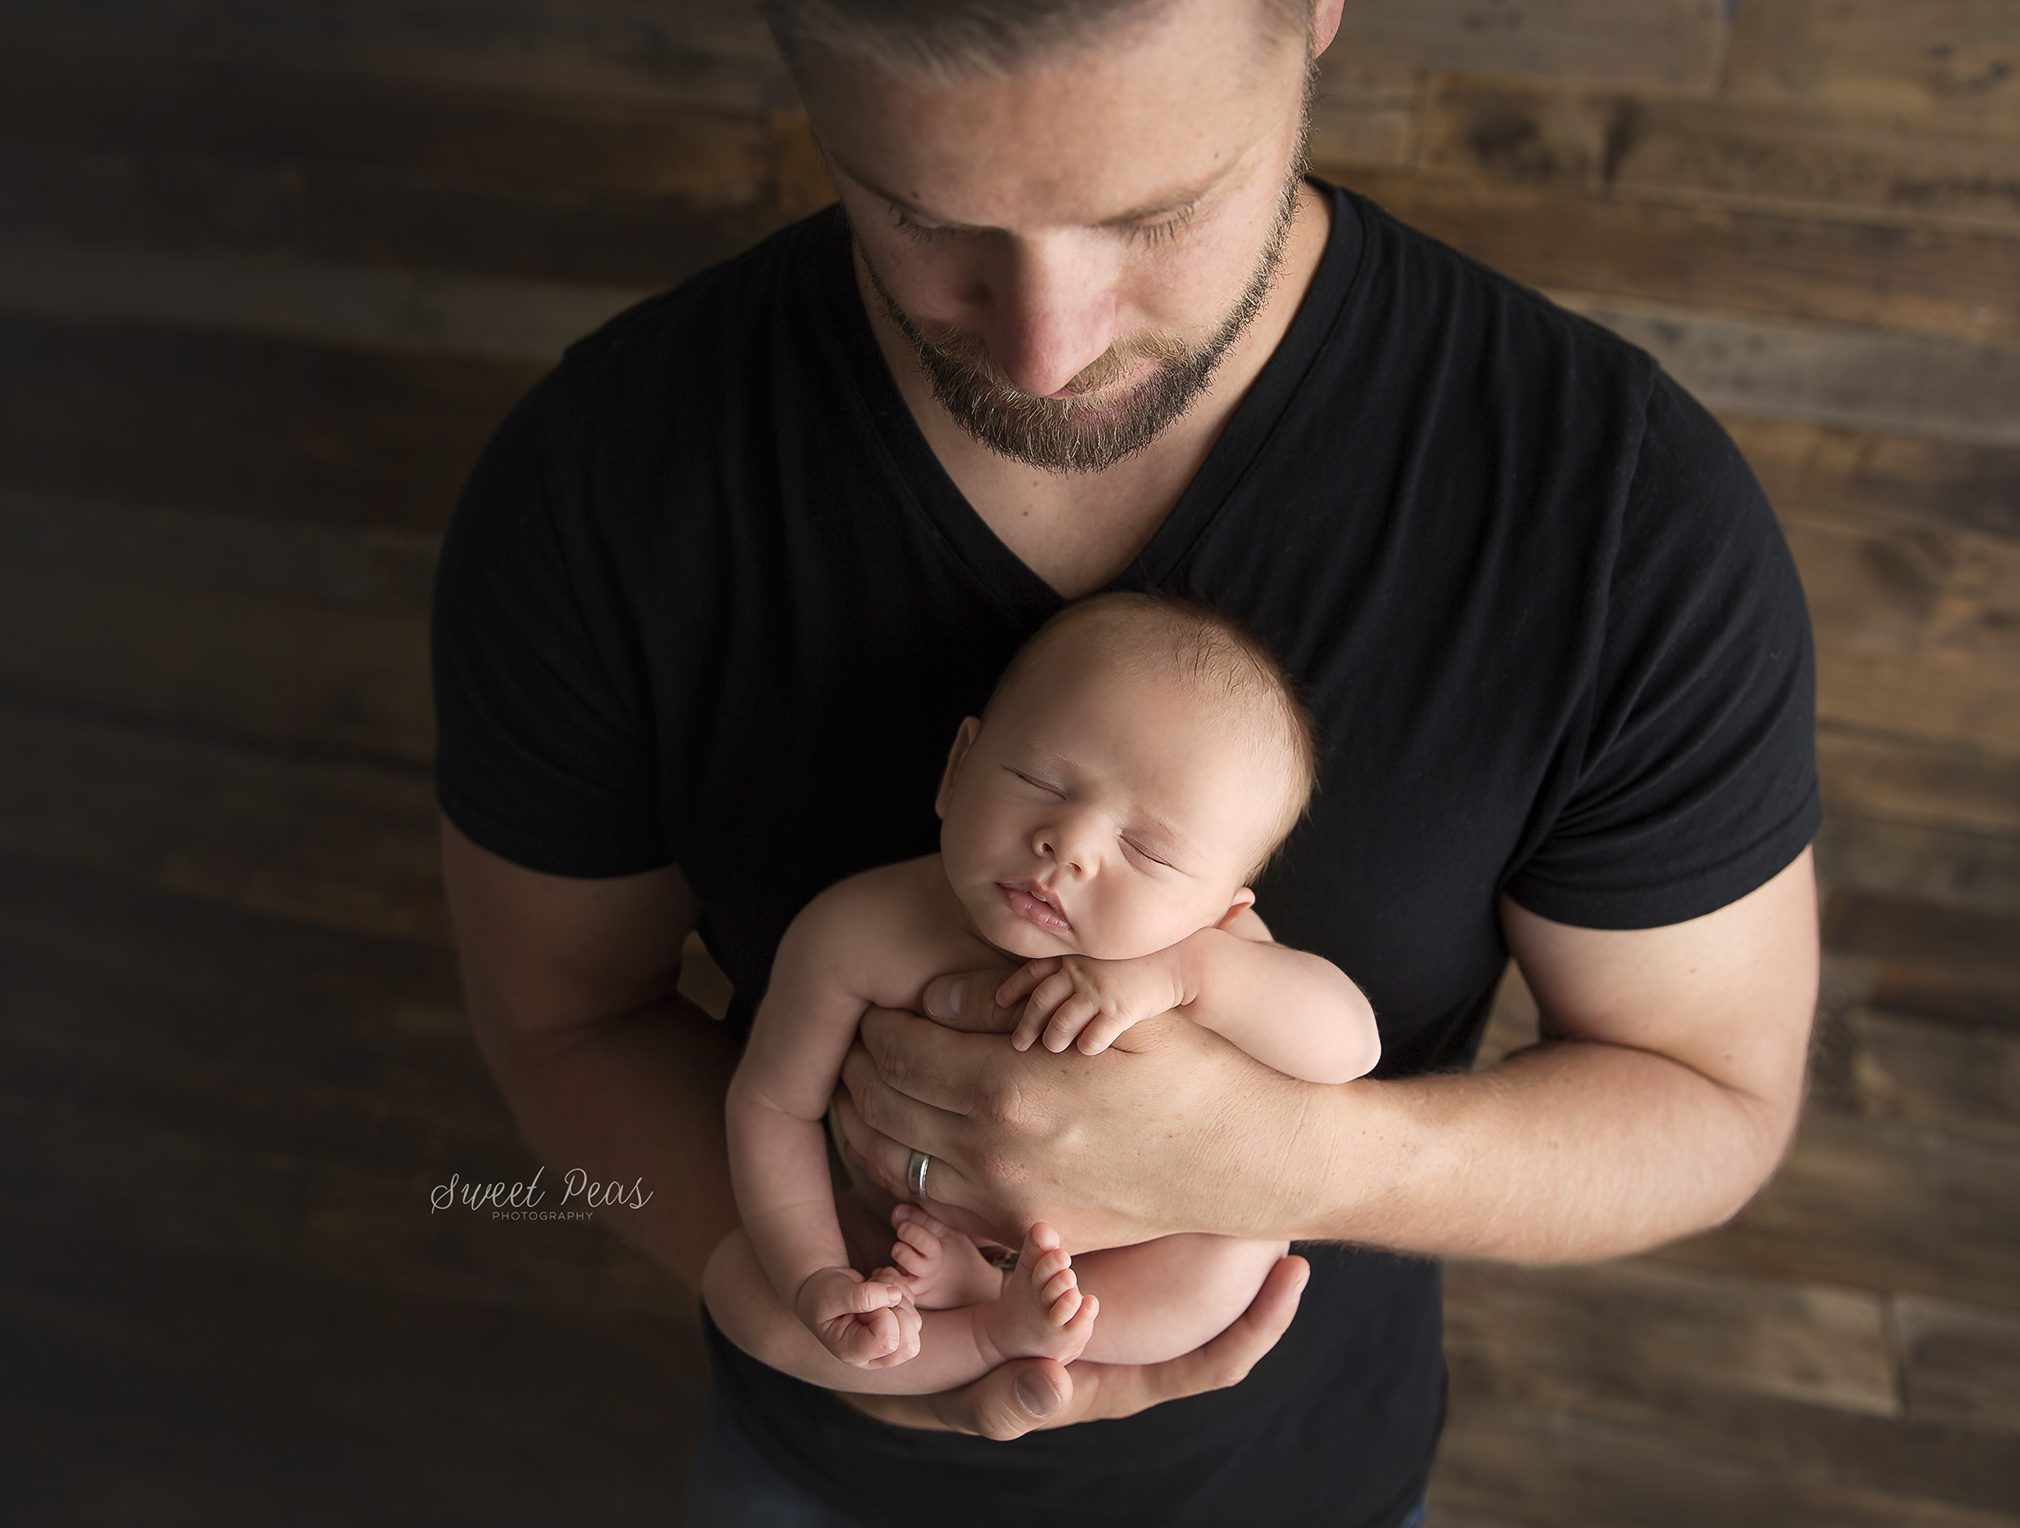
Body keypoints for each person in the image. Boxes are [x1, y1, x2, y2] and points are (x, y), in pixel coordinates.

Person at [430, 0, 1823, 1523]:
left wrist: (1285, 1161)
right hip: (813, 1477)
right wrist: (834, 1297)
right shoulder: (603, 480)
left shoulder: (1617, 513)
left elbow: (1708, 1101)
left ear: (1313, 18)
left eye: (1157, 214)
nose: (1047, 346)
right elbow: (562, 1029)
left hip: (1305, 1489)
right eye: (921, 217)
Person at [710, 591, 1380, 1394]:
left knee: (1236, 1255)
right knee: (748, 1302)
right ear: (958, 770)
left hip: (1126, 1278)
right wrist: (815, 1273)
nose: (1071, 845)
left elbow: (1351, 1047)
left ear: (1225, 906)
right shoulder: (858, 930)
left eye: (1149, 851)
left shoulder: (1202, 950)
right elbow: (773, 1106)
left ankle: (1010, 1319)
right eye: (1040, 781)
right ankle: (981, 1325)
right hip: (906, 1232)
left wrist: (1186, 976)